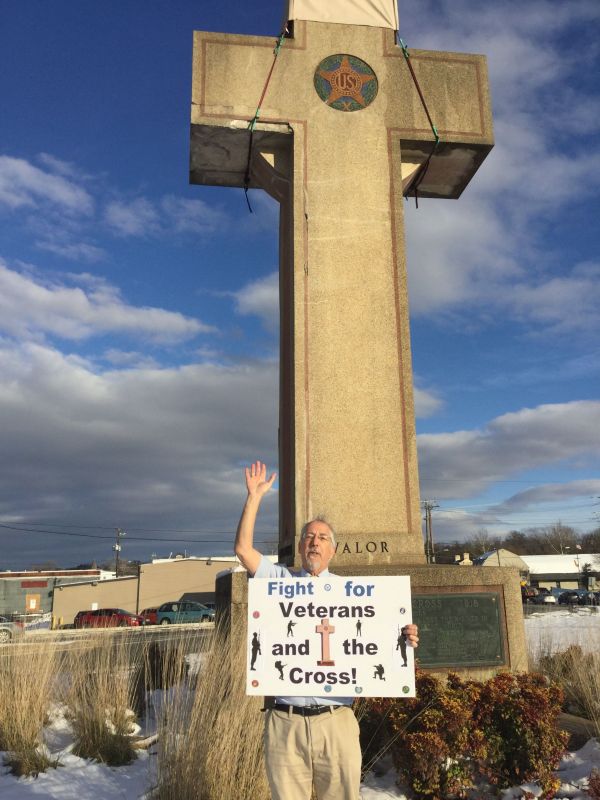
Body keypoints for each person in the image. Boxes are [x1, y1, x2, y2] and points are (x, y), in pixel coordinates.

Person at [234, 460, 419, 800]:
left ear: (332, 549)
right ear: (300, 547)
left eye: (322, 538)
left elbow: (379, 643)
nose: (314, 542)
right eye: (308, 536)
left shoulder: (355, 595)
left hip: (336, 721)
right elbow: (243, 551)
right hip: (285, 722)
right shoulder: (280, 581)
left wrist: (403, 637)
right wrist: (254, 497)